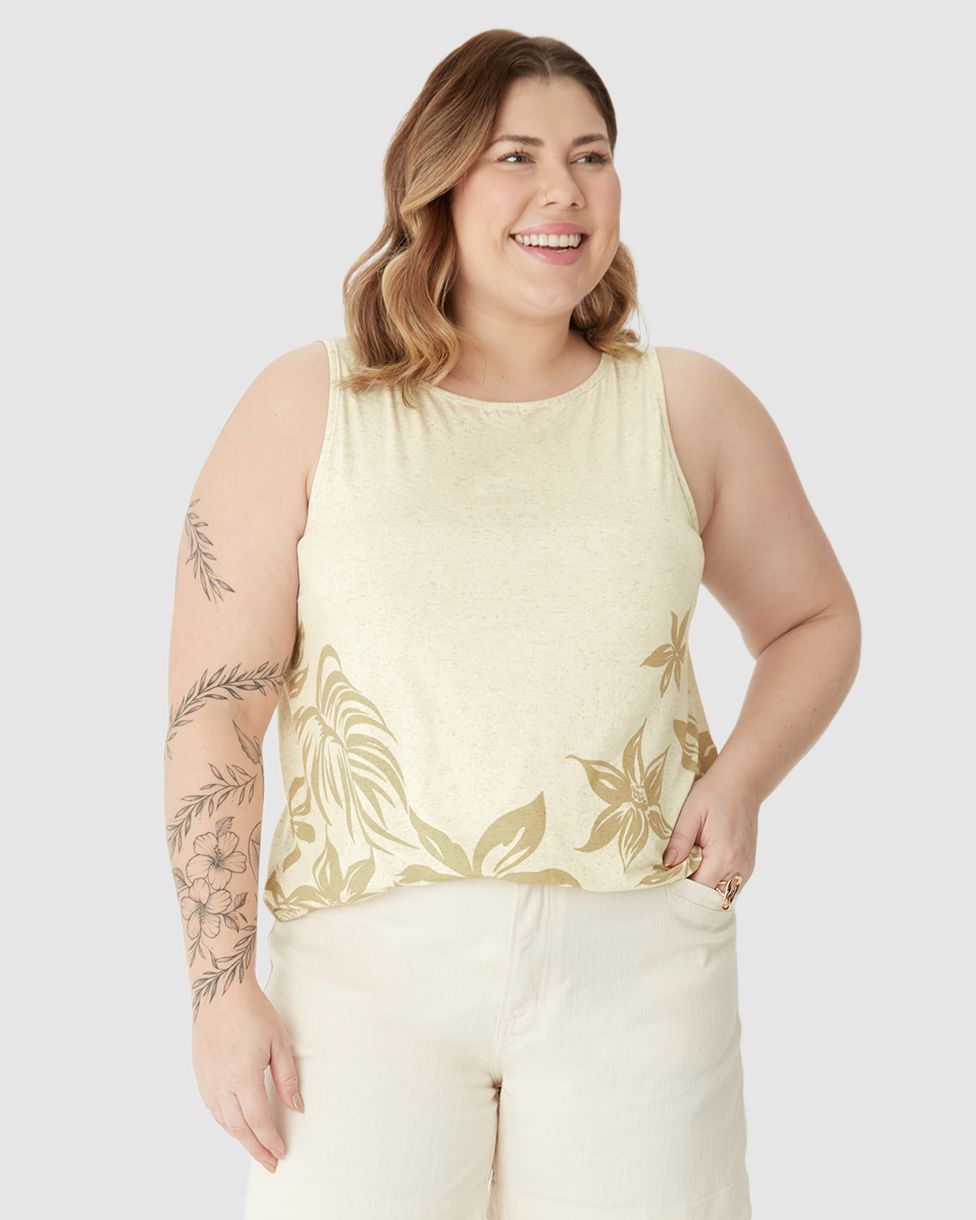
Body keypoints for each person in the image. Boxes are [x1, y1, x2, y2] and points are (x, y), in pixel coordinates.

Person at [164, 28, 861, 1220]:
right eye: (517, 156)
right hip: (363, 978)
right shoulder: (308, 405)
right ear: (436, 181)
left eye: (591, 155)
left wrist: (742, 778)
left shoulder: (686, 408)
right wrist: (218, 988)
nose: (564, 191)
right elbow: (215, 715)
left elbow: (815, 618)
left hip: (638, 958)